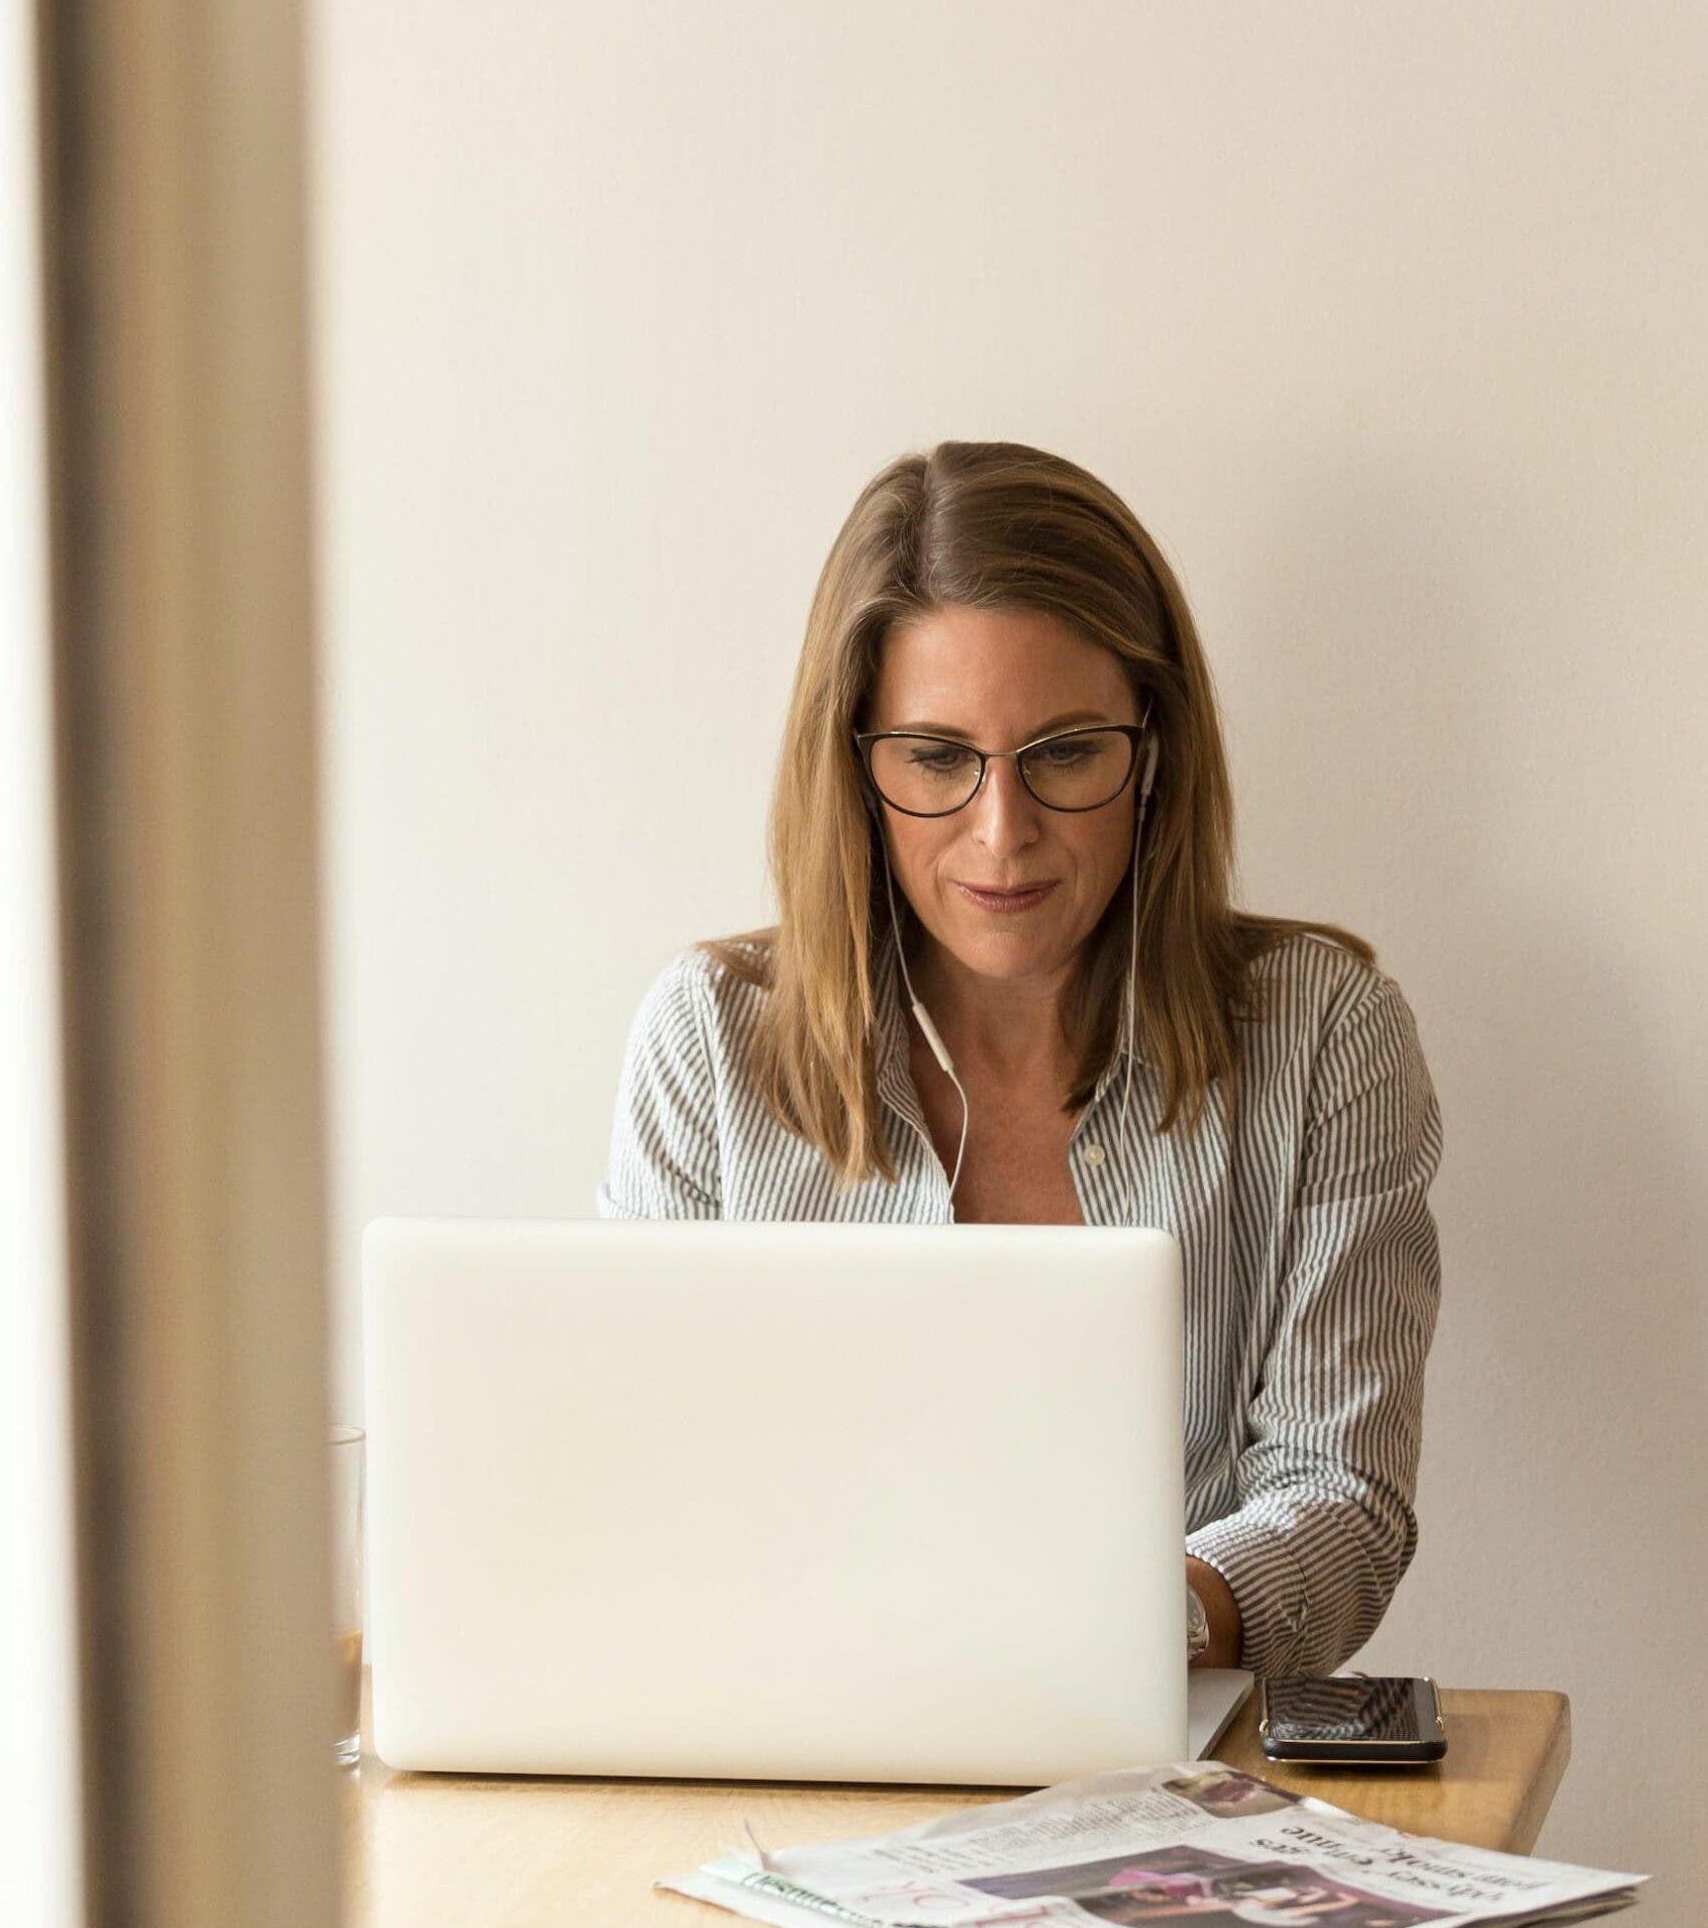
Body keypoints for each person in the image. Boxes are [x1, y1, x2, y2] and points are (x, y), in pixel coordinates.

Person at [598, 441, 1442, 1677]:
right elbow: (641, 1489)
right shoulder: (708, 1041)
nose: (1004, 834)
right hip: (789, 1742)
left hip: (1174, 1762)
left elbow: (1345, 1500)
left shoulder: (1324, 1033)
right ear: (856, 767)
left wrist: (1124, 1630)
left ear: (1152, 749)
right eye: (938, 759)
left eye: (1063, 753)